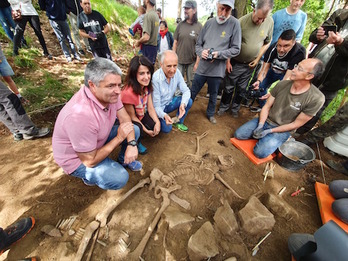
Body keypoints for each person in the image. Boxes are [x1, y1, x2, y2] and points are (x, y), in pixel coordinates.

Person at [52, 58, 142, 190]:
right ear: (92, 85)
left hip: (96, 139)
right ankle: (88, 176)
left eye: (119, 85)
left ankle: (124, 159)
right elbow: (89, 161)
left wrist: (132, 144)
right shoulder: (80, 116)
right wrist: (119, 138)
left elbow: (125, 119)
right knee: (119, 178)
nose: (118, 91)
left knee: (134, 129)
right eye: (111, 86)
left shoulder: (111, 95)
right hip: (77, 159)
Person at [234, 58, 325, 159]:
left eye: (299, 69)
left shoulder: (316, 98)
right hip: (267, 120)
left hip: (283, 130)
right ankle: (264, 136)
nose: (293, 70)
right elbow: (266, 107)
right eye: (296, 66)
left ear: (309, 76)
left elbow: (296, 124)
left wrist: (269, 131)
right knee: (239, 135)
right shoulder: (282, 84)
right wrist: (260, 125)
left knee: (259, 153)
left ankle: (281, 139)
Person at [296, 4, 348, 134]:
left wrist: (340, 42)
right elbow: (315, 34)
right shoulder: (340, 14)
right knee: (298, 100)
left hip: (332, 81)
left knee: (315, 109)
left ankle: (298, 136)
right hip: (313, 70)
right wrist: (317, 36)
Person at [218, 0, 274, 118]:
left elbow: (267, 43)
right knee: (229, 86)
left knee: (242, 88)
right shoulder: (241, 22)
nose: (261, 21)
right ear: (254, 10)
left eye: (263, 19)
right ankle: (224, 106)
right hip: (236, 61)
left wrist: (258, 58)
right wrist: (227, 61)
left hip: (250, 64)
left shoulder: (269, 22)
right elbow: (228, 42)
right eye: (259, 18)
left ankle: (235, 109)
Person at [190, 0, 241, 124]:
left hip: (217, 69)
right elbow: (198, 45)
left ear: (231, 9)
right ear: (217, 5)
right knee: (193, 91)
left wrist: (219, 54)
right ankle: (184, 109)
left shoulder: (235, 24)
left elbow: (236, 49)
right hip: (202, 67)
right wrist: (202, 52)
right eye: (221, 8)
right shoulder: (208, 23)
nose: (223, 13)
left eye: (227, 10)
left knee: (213, 94)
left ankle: (210, 114)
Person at [252, 29, 306, 110]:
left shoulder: (299, 52)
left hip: (287, 74)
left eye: (286, 46)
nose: (281, 49)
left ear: (294, 43)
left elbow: (287, 78)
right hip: (272, 70)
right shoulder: (272, 48)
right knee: (261, 86)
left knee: (282, 93)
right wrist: (259, 81)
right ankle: (263, 107)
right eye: (279, 45)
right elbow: (264, 70)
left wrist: (274, 92)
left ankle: (276, 110)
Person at [121, 56, 160, 155]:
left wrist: (157, 122)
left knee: (153, 124)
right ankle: (137, 142)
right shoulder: (127, 93)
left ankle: (141, 134)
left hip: (141, 115)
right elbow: (132, 117)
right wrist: (146, 130)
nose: (146, 77)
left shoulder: (146, 87)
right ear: (134, 74)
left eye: (148, 73)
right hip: (129, 119)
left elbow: (150, 108)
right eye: (141, 73)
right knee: (137, 127)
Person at [152, 50, 193, 133]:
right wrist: (164, 115)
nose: (172, 70)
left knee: (188, 101)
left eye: (175, 66)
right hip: (159, 108)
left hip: (169, 103)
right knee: (167, 129)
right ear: (161, 64)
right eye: (169, 66)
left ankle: (178, 121)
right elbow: (156, 106)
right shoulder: (156, 78)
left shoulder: (177, 73)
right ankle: (161, 121)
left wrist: (183, 104)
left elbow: (186, 91)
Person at [173, 0, 202, 89]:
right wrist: (173, 58)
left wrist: (197, 63)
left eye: (188, 8)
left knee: (191, 83)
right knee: (177, 82)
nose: (185, 10)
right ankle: (177, 100)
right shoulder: (180, 25)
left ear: (194, 10)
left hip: (192, 61)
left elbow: (200, 46)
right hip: (179, 60)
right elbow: (175, 42)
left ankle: (189, 100)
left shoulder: (199, 26)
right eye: (185, 8)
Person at [135, 0, 159, 64]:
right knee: (150, 69)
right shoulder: (156, 15)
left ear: (147, 1)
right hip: (154, 48)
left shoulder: (148, 15)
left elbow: (146, 37)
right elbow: (153, 30)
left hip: (148, 48)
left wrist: (138, 42)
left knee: (146, 70)